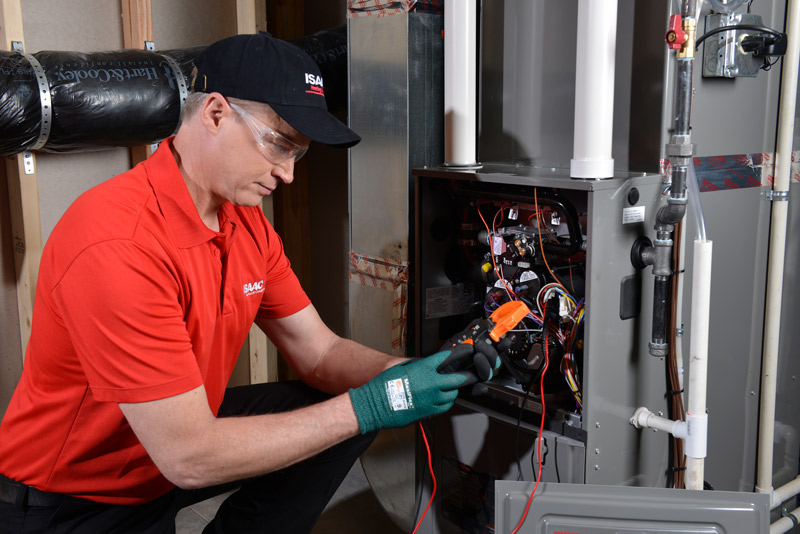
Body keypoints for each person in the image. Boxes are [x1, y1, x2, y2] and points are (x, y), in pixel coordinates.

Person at [0, 33, 500, 533]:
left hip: (166, 458)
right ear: (216, 113)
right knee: (355, 411)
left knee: (342, 409)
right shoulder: (118, 241)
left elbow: (320, 354)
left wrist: (410, 376)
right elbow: (188, 457)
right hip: (76, 497)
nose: (287, 174)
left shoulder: (246, 223)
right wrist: (374, 405)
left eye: (298, 154)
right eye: (279, 144)